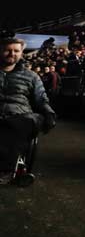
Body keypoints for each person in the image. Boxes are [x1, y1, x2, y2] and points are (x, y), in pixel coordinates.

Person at [0, 38, 58, 187]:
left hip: (21, 115)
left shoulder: (31, 76)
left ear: (21, 53)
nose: (11, 53)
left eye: (16, 51)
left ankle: (6, 170)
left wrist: (49, 114)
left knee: (20, 123)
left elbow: (41, 99)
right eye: (7, 50)